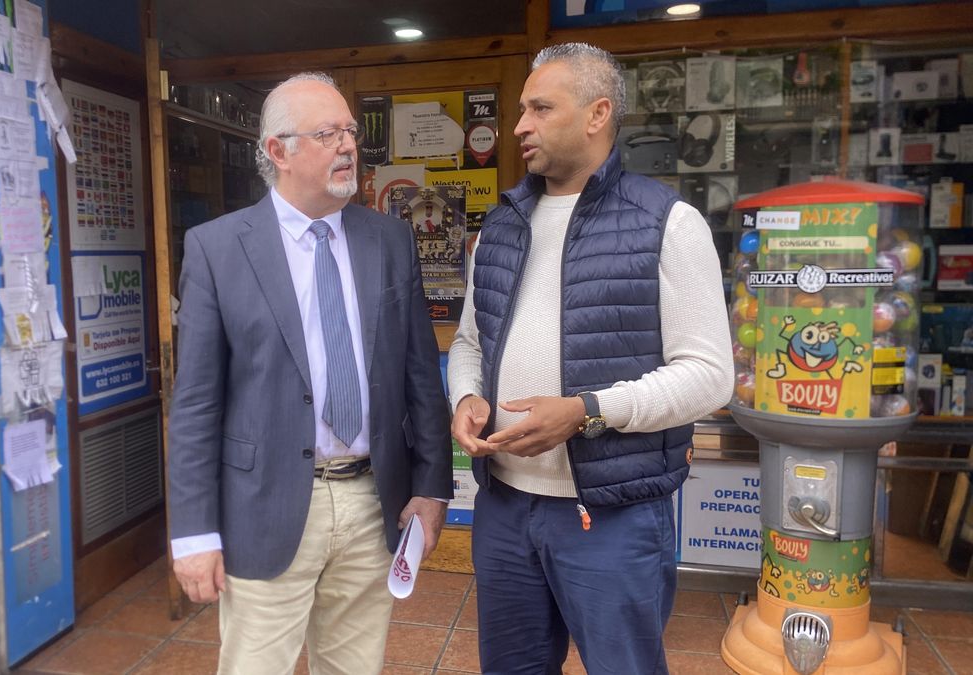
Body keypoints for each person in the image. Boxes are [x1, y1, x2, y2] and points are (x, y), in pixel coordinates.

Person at [447, 43, 733, 674]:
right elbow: (471, 342)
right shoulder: (501, 224)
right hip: (503, 509)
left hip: (612, 516)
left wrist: (588, 412)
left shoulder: (668, 223)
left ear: (597, 113)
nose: (519, 125)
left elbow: (711, 375)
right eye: (522, 108)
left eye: (540, 108)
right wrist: (466, 396)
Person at [166, 72, 452, 675]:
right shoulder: (218, 249)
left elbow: (420, 374)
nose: (349, 145)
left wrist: (431, 487)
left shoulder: (390, 239)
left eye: (350, 131)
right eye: (328, 134)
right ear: (279, 151)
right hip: (263, 506)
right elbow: (195, 402)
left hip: (374, 502)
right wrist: (193, 533)